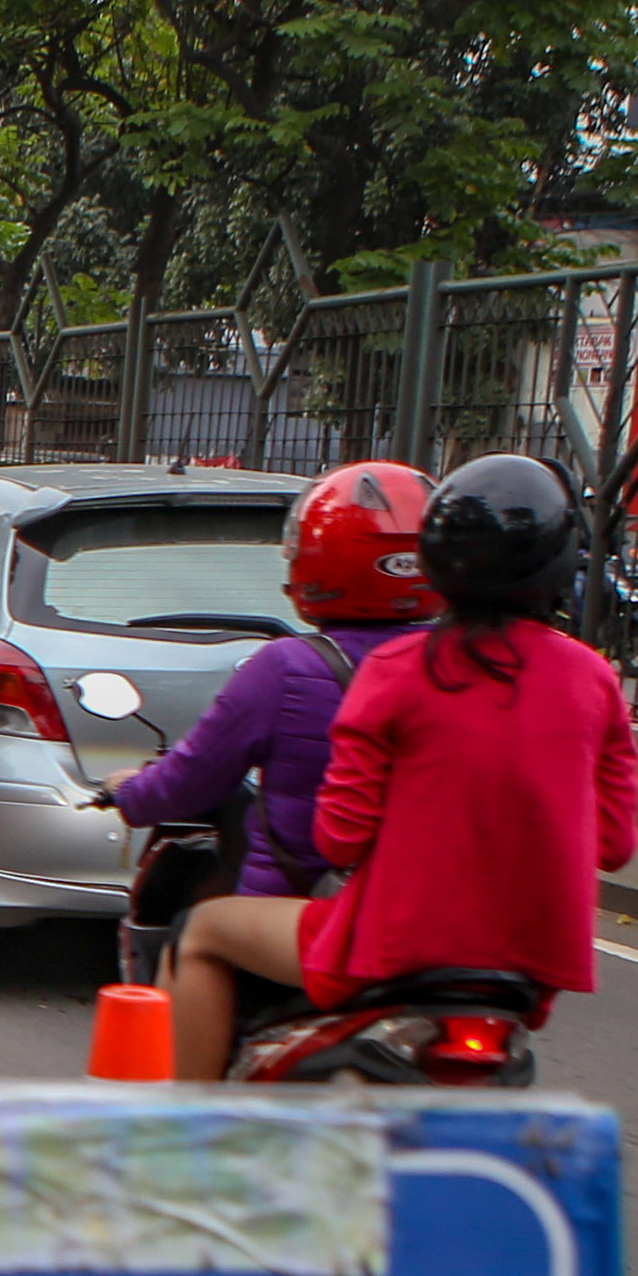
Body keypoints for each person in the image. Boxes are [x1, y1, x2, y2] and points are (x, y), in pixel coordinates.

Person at [142, 453, 638, 1080]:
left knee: (202, 931)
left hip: (391, 946)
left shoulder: (396, 670)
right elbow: (616, 845)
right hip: (529, 968)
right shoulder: (595, 680)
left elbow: (338, 836)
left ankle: (188, 1140)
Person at [110, 461, 436, 1078]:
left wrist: (129, 793)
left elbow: (188, 780)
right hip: (440, 923)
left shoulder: (288, 668)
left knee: (197, 933)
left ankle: (197, 1128)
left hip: (312, 918)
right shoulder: (460, 665)